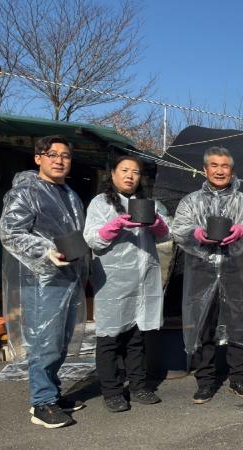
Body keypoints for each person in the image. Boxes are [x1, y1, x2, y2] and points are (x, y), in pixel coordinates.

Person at [0, 135, 87, 428]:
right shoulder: (26, 192)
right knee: (44, 341)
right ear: (38, 158)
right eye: (52, 154)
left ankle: (52, 392)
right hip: (41, 279)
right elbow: (10, 231)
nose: (59, 160)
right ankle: (41, 403)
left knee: (60, 341)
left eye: (65, 155)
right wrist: (46, 251)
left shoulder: (70, 194)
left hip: (68, 276)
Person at [170, 146, 243, 404]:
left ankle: (239, 379)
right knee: (204, 326)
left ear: (232, 171)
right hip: (202, 271)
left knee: (238, 326)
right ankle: (205, 382)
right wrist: (195, 233)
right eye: (214, 165)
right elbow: (178, 229)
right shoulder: (191, 201)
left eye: (225, 166)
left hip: (236, 269)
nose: (220, 171)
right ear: (205, 169)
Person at [83, 156, 170, 412]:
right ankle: (111, 391)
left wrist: (156, 222)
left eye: (135, 172)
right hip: (113, 281)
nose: (130, 176)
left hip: (143, 280)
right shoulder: (100, 203)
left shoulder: (147, 204)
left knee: (137, 336)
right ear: (113, 175)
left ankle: (139, 385)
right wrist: (116, 224)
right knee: (110, 337)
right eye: (125, 170)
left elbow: (166, 234)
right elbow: (92, 239)